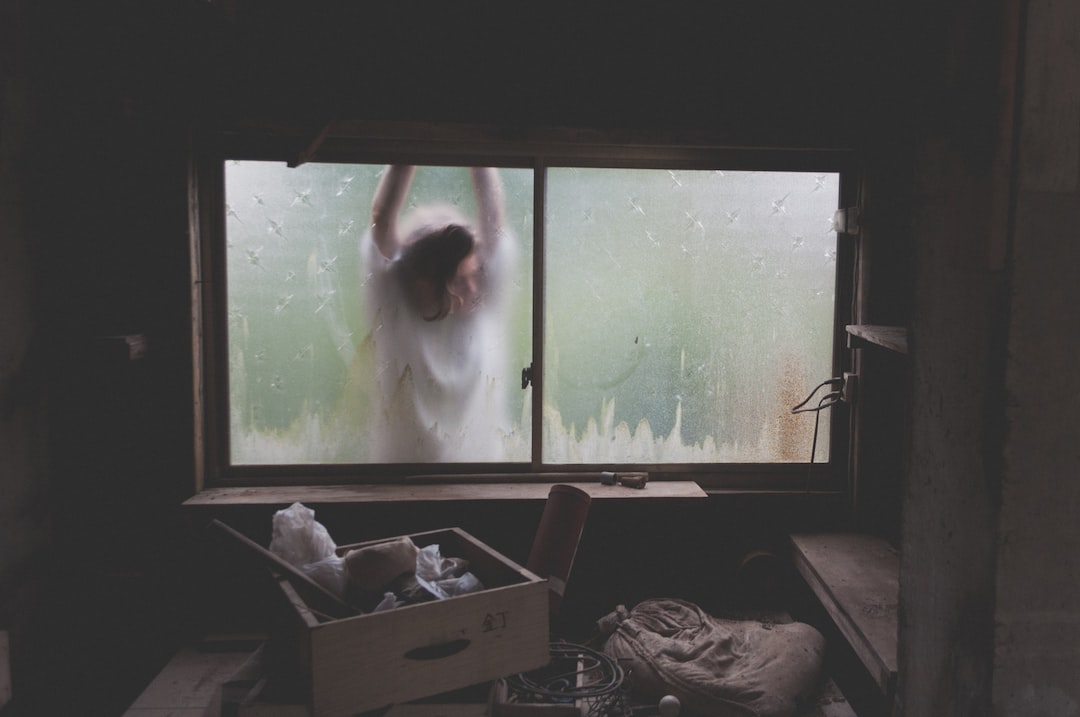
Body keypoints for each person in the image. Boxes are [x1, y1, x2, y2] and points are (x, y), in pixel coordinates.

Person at [360, 165, 517, 462]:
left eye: (474, 273)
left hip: (483, 486)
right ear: (424, 280)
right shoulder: (395, 303)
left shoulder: (482, 308)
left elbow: (493, 218)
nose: (473, 288)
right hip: (400, 483)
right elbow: (381, 221)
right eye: (458, 280)